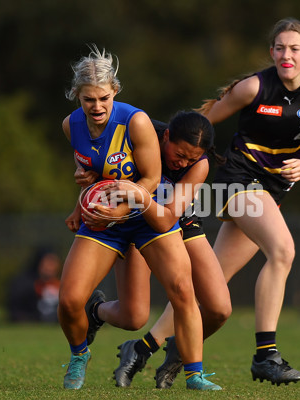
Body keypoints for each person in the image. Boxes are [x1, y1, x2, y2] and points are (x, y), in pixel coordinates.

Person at [58, 45, 220, 391]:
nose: (97, 106)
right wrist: (80, 203)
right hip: (109, 220)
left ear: (115, 91)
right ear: (77, 96)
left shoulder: (137, 121)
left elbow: (149, 181)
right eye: (89, 100)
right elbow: (91, 169)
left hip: (152, 215)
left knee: (183, 289)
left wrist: (122, 206)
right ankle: (78, 354)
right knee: (71, 300)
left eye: (103, 98)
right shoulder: (71, 126)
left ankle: (195, 375)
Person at [197, 18, 300, 385]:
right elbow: (197, 127)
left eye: (294, 48)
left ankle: (147, 348)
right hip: (239, 182)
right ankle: (266, 355)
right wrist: (152, 144)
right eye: (279, 48)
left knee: (212, 281)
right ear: (272, 53)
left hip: (270, 192)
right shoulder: (254, 87)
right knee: (283, 251)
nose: (286, 55)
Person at [78, 111, 231, 388]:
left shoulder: (200, 165)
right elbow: (99, 162)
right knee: (133, 315)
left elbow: (168, 217)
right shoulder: (140, 135)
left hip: (175, 218)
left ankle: (179, 357)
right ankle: (96, 311)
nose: (182, 162)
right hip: (134, 220)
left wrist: (142, 196)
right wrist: (85, 174)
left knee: (219, 308)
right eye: (180, 153)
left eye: (191, 158)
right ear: (167, 136)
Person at [6, 247, 61, 323]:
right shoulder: (24, 284)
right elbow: (15, 312)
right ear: (39, 262)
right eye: (48, 262)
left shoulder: (61, 284)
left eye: (54, 261)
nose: (51, 266)